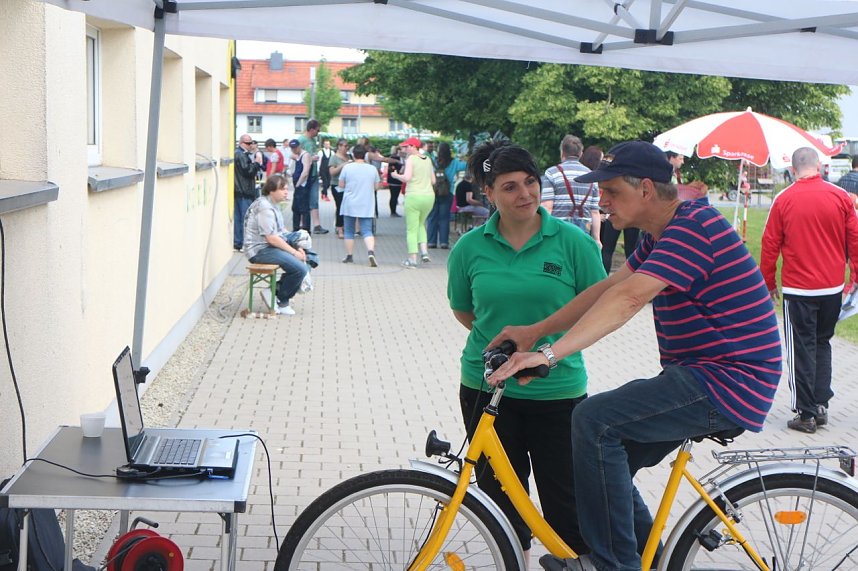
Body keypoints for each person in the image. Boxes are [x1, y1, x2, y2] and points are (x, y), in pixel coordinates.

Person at [487, 141, 782, 571]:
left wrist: (549, 356)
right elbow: (608, 288)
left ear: (645, 189)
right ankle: (648, 560)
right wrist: (535, 331)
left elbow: (627, 299)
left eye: (610, 191)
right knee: (607, 456)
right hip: (703, 375)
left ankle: (613, 565)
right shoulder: (660, 233)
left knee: (592, 420)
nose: (601, 200)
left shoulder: (694, 226)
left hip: (728, 380)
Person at [448, 141, 604, 563]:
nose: (525, 195)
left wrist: (542, 348)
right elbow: (466, 311)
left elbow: (599, 308)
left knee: (565, 508)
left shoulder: (574, 244)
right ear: (489, 194)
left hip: (558, 392)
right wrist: (505, 345)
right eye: (510, 187)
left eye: (531, 182)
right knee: (500, 506)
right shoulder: (469, 248)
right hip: (487, 390)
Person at [761, 147, 858, 433]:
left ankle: (805, 414)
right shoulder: (840, 197)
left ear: (793, 169)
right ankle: (820, 405)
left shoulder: (784, 199)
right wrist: (855, 276)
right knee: (822, 343)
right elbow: (854, 239)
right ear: (820, 166)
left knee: (800, 349)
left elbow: (769, 246)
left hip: (798, 289)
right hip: (831, 287)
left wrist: (768, 283)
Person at [243, 174, 309, 316]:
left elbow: (282, 231)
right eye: (282, 189)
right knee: (300, 269)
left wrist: (298, 246)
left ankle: (274, 292)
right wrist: (294, 253)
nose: (286, 192)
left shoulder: (274, 204)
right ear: (271, 190)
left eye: (286, 189)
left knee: (309, 258)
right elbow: (271, 238)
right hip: (259, 251)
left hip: (269, 247)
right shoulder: (265, 207)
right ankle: (281, 299)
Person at [541, 135, 601, 245]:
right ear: (581, 153)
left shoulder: (552, 173)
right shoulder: (592, 176)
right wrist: (597, 239)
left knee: (556, 262)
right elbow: (595, 212)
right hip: (583, 232)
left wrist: (543, 233)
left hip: (558, 230)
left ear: (562, 152)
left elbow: (547, 206)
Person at [391, 136, 435, 269]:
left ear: (414, 147)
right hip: (429, 196)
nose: (404, 149)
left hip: (414, 196)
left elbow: (407, 178)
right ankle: (425, 252)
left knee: (411, 229)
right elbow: (433, 181)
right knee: (421, 224)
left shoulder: (410, 159)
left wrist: (396, 175)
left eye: (406, 146)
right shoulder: (428, 159)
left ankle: (412, 259)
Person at [338, 144, 380, 267]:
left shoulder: (347, 168)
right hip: (366, 203)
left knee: (349, 231)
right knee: (367, 231)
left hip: (350, 203)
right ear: (365, 155)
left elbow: (341, 184)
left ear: (353, 155)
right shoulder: (372, 169)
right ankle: (371, 252)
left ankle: (349, 256)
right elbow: (377, 186)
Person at [426, 142, 467, 249]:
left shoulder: (433, 161)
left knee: (432, 217)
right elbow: (466, 166)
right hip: (447, 192)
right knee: (444, 218)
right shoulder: (454, 162)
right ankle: (444, 242)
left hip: (433, 191)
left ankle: (431, 242)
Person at [297, 119, 329, 234]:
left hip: (314, 174)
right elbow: (297, 156)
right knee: (303, 200)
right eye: (317, 130)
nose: (318, 132)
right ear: (311, 129)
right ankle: (302, 225)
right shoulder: (301, 140)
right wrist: (311, 158)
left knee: (314, 200)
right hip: (305, 175)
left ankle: (317, 225)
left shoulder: (312, 140)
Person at [233, 134, 260, 251]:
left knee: (240, 218)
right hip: (244, 191)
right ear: (242, 143)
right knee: (245, 219)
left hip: (240, 190)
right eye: (248, 143)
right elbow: (248, 171)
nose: (251, 145)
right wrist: (257, 163)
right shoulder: (241, 155)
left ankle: (239, 243)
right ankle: (244, 243)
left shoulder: (239, 154)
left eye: (251, 143)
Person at [327, 139, 350, 239]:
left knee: (348, 207)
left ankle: (345, 227)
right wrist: (343, 165)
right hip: (337, 185)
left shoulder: (349, 156)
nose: (346, 148)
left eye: (347, 146)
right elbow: (332, 172)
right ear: (339, 146)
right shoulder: (334, 158)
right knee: (340, 206)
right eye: (344, 146)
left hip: (348, 185)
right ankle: (340, 228)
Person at [288, 139, 312, 232]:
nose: (294, 150)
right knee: (295, 208)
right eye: (292, 148)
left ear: (299, 146)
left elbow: (305, 172)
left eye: (295, 148)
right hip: (298, 185)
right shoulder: (298, 156)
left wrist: (298, 184)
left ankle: (306, 230)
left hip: (302, 185)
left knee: (304, 208)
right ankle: (296, 229)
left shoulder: (305, 155)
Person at [386, 145, 404, 217]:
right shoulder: (395, 158)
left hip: (394, 180)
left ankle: (393, 211)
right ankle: (393, 212)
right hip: (395, 180)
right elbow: (393, 168)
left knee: (394, 196)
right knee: (394, 196)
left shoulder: (393, 157)